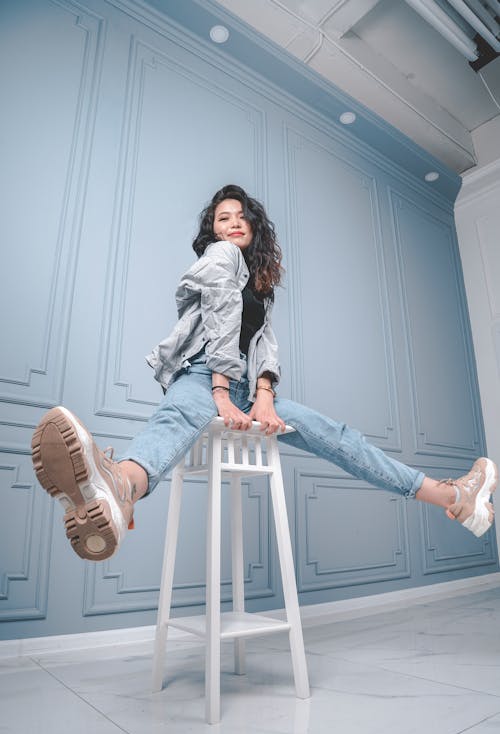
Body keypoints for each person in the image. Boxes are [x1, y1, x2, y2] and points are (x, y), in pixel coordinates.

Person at [31, 185, 498, 561]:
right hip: (201, 375)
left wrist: (264, 395)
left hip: (238, 388)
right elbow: (220, 315)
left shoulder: (260, 284)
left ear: (254, 226)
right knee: (173, 421)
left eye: (240, 217)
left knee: (335, 435)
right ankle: (117, 486)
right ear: (211, 232)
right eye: (222, 218)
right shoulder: (220, 259)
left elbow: (265, 345)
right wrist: (219, 390)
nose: (232, 223)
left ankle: (451, 496)